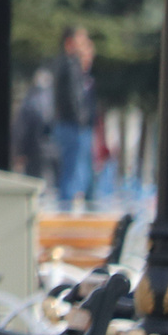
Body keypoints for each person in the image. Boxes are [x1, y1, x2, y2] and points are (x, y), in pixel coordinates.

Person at [47, 27, 100, 210]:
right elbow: (72, 98)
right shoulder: (69, 64)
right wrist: (81, 118)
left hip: (75, 124)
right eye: (81, 40)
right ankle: (66, 208)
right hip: (72, 125)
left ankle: (73, 206)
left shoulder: (73, 66)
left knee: (80, 170)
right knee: (72, 170)